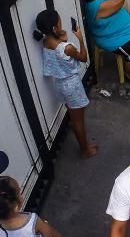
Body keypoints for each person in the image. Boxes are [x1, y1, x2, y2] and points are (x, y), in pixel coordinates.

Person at [33, 9, 96, 158]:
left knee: (74, 117)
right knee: (78, 121)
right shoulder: (67, 48)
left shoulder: (45, 40)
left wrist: (62, 37)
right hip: (72, 85)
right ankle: (85, 150)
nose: (62, 24)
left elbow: (57, 49)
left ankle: (84, 143)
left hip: (60, 85)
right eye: (59, 22)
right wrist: (80, 39)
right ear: (54, 27)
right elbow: (83, 58)